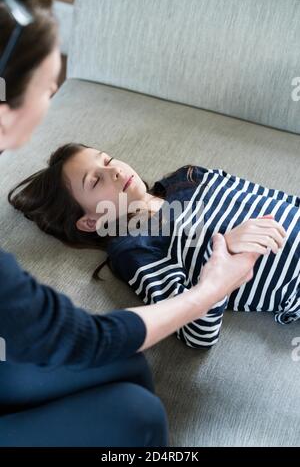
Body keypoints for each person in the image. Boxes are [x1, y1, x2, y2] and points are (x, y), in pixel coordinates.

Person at [0, 0, 259, 446]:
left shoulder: (186, 183)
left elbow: (61, 335)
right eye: (49, 90)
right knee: (135, 413)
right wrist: (211, 290)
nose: (52, 102)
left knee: (130, 365)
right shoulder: (133, 248)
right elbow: (82, 338)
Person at [9, 144, 299, 351]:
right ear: (89, 221)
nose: (116, 172)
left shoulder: (187, 176)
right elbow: (195, 333)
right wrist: (224, 251)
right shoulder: (135, 248)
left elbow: (274, 197)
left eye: (108, 160)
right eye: (96, 180)